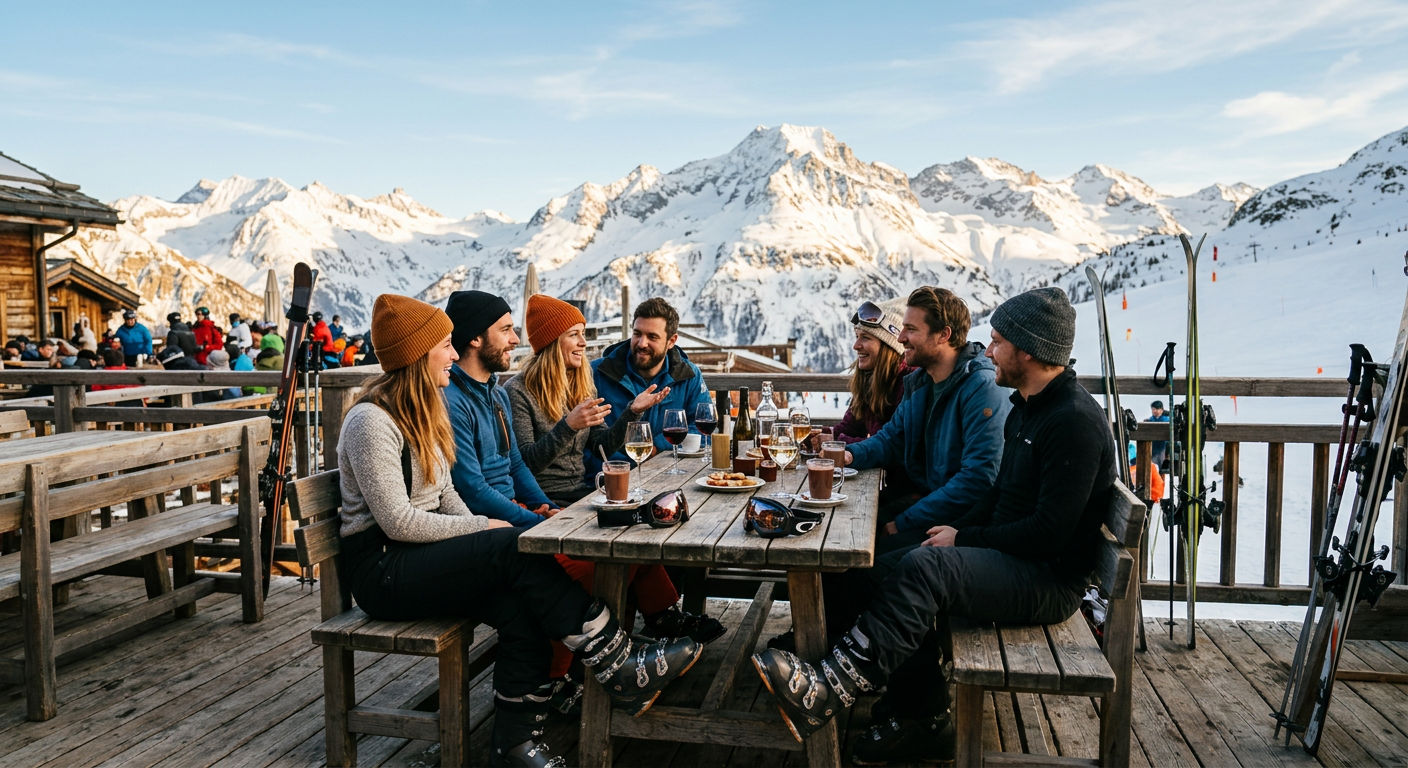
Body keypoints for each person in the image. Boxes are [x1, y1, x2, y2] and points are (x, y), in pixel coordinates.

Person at [751, 286, 1116, 765]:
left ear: (1028, 350)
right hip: (1013, 555)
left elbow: (1047, 533)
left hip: (1047, 579)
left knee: (926, 569)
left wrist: (963, 536)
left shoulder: (1072, 421)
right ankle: (911, 703)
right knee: (879, 566)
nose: (989, 352)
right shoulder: (1031, 405)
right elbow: (1000, 496)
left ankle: (840, 691)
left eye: (999, 341)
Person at [338, 293, 701, 765]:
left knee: (521, 610)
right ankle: (614, 657)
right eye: (443, 346)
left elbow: (446, 494)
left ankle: (515, 745)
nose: (452, 354)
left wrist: (494, 524)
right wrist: (486, 527)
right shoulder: (372, 421)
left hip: (422, 557)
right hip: (383, 569)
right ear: (416, 354)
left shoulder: (424, 410)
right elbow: (398, 521)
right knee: (512, 546)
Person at [506, 294, 670, 507]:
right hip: (545, 500)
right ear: (551, 342)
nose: (583, 343)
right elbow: (526, 464)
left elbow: (602, 445)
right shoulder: (518, 390)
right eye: (574, 335)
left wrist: (632, 412)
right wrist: (569, 426)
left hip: (583, 492)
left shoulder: (580, 384)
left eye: (583, 334)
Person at [589, 297, 710, 474]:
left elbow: (703, 430)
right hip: (607, 479)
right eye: (637, 334)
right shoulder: (597, 373)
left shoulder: (688, 375)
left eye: (652, 337)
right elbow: (584, 438)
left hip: (669, 475)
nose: (641, 343)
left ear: (671, 341)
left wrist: (658, 446)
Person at [826, 297, 920, 510]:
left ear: (889, 344)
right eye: (857, 336)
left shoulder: (909, 382)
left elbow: (891, 447)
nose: (856, 345)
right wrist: (822, 435)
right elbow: (847, 428)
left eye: (865, 338)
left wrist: (838, 441)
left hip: (904, 495)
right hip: (879, 488)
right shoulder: (869, 378)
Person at [1149, 400, 1171, 469]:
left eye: (1156, 409)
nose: (1154, 411)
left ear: (1161, 410)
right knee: (1153, 465)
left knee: (1161, 464)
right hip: (1154, 446)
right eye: (1153, 409)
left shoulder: (1166, 420)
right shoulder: (1151, 419)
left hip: (1163, 446)